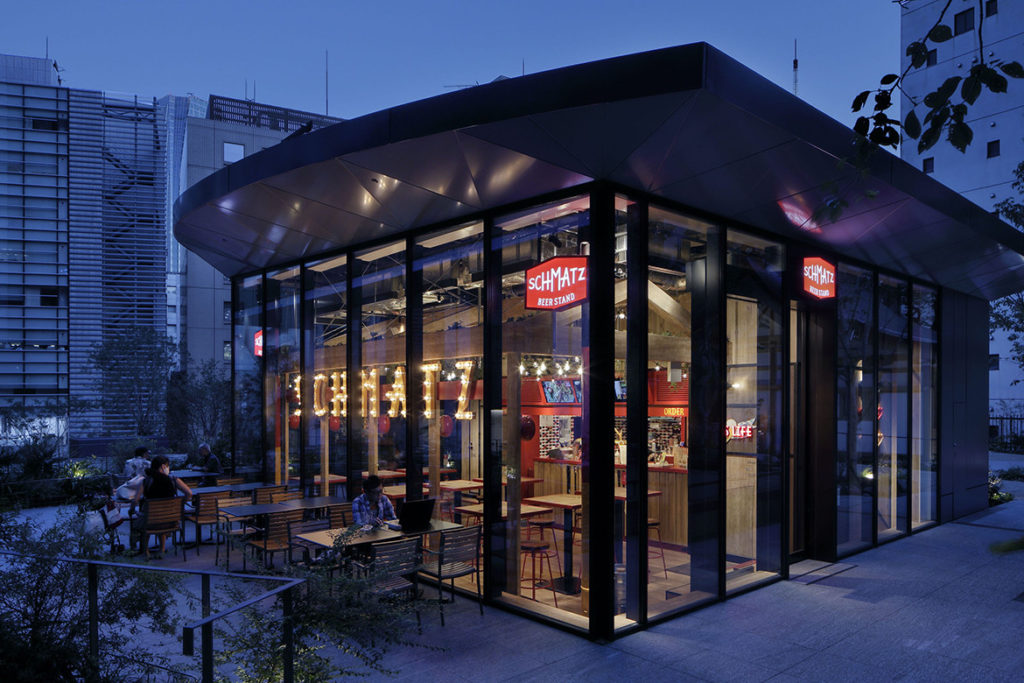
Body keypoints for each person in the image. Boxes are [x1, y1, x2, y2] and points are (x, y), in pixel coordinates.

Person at [130, 455, 193, 554]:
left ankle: (146, 551)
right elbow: (189, 494)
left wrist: (133, 510)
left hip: (150, 522)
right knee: (162, 517)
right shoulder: (174, 479)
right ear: (163, 466)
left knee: (144, 519)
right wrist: (179, 505)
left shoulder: (145, 481)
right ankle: (161, 550)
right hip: (170, 520)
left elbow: (135, 500)